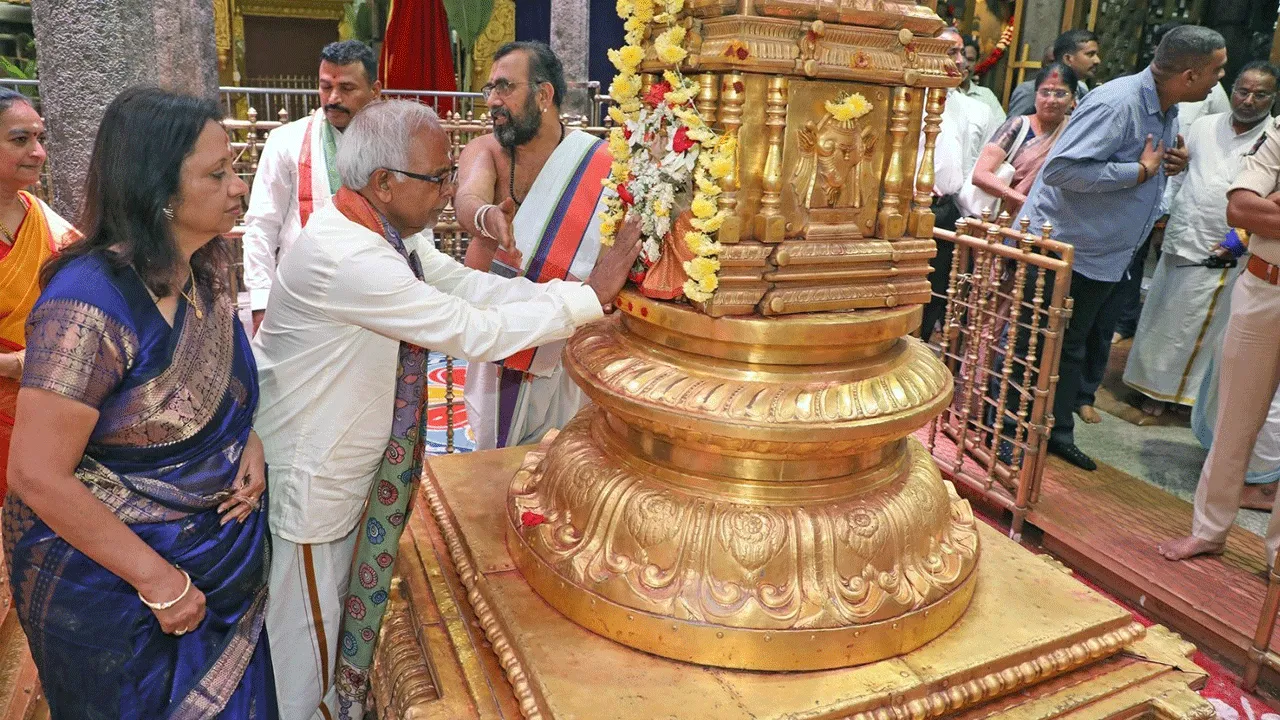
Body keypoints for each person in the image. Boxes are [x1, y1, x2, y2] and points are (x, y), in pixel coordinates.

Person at [254, 99, 640, 720]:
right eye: (437, 178)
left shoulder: (385, 236)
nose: (447, 192)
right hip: (313, 476)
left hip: (344, 464)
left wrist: (578, 299)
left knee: (332, 631)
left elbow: (470, 286)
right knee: (306, 650)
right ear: (383, 183)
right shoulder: (348, 255)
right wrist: (588, 298)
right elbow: (466, 329)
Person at [4, 88, 272, 718]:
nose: (239, 187)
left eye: (234, 167)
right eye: (218, 173)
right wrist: (159, 582)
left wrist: (245, 439)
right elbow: (36, 474)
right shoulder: (89, 304)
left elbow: (219, 387)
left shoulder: (206, 266)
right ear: (161, 193)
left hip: (214, 563)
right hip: (115, 588)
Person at [1018, 25, 1224, 471]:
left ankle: (1053, 434)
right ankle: (1007, 436)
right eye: (1215, 71)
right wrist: (1137, 173)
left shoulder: (1166, 108)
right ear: (1189, 75)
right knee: (1032, 346)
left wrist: (1169, 165)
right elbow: (1061, 170)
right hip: (1060, 246)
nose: (1218, 81)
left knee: (1070, 347)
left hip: (1102, 251)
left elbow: (1140, 164)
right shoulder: (1120, 101)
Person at [454, 40, 615, 449]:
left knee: (565, 449)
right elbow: (467, 199)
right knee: (496, 450)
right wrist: (487, 217)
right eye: (489, 89)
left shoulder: (597, 162)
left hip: (567, 332)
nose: (493, 100)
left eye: (505, 87)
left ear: (544, 95)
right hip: (499, 330)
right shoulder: (486, 150)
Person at [1158, 98, 1280, 564]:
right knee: (1234, 419)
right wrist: (1259, 209)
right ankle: (1208, 531)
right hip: (1263, 287)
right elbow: (1240, 211)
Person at [1124, 62, 1278, 418]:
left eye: (1261, 94)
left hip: (1226, 246)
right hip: (1183, 231)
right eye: (1243, 90)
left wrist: (1238, 241)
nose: (1249, 100)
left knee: (1197, 325)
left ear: (1274, 97)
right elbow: (1178, 174)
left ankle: (1179, 399)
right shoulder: (1206, 125)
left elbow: (1269, 202)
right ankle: (1145, 384)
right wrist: (1162, 217)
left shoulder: (1273, 138)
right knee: (1161, 313)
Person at [241, 40, 382, 334]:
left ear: (375, 91)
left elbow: (413, 224)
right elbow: (261, 227)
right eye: (325, 86)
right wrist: (260, 303)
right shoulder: (286, 141)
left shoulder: (392, 146)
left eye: (346, 88)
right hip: (301, 301)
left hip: (376, 300)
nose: (332, 98)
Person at [0, 89, 78, 500]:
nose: (38, 152)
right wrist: (13, 364)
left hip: (48, 405)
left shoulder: (43, 219)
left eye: (40, 138)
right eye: (20, 140)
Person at [920, 26, 994, 343]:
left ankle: (920, 352)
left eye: (961, 53)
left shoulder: (964, 104)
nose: (960, 61)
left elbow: (968, 160)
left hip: (948, 209)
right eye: (951, 52)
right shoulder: (909, 94)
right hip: (913, 207)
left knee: (937, 292)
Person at [970, 62, 1079, 219]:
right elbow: (980, 174)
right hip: (1006, 217)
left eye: (1060, 94)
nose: (1051, 100)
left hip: (1052, 218)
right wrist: (1020, 199)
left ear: (1073, 99)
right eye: (1045, 92)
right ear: (1035, 95)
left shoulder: (1074, 130)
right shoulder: (1017, 126)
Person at [1007, 30, 1100, 116]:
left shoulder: (1082, 91)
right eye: (1090, 54)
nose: (1097, 60)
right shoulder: (1031, 91)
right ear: (1068, 59)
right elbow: (1013, 130)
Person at [960, 35, 1008, 123]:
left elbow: (1001, 129)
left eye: (970, 59)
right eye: (962, 58)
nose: (965, 64)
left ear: (977, 63)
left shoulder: (987, 96)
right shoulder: (943, 93)